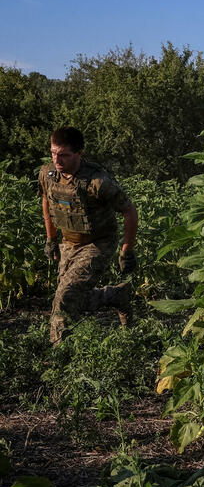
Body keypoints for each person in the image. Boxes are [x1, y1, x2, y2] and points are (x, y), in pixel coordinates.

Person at [39, 127, 138, 345]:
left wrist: (127, 250)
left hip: (98, 244)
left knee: (64, 298)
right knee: (73, 300)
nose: (57, 159)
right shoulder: (48, 175)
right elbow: (47, 200)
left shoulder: (98, 182)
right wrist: (51, 239)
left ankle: (60, 354)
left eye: (64, 154)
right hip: (68, 243)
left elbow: (129, 211)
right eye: (53, 153)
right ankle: (114, 296)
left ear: (79, 153)